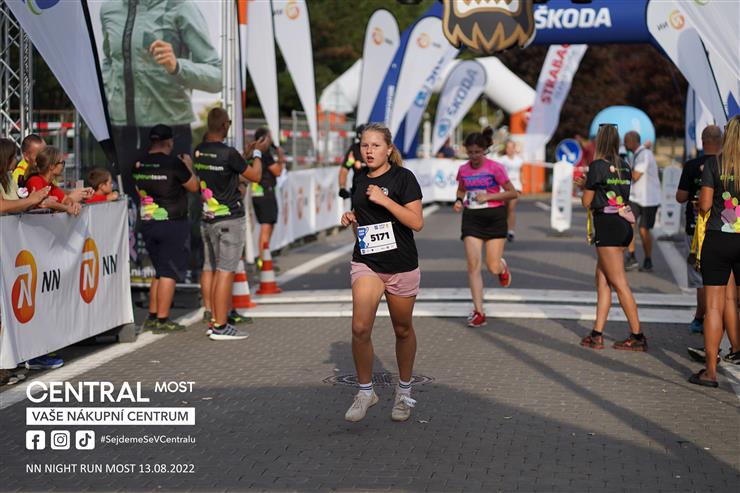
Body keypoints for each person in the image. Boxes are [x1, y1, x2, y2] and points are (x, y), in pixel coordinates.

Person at [340, 123, 423, 423]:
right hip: (368, 263)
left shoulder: (403, 178)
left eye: (375, 145)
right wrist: (353, 220)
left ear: (389, 149)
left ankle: (404, 392)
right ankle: (365, 392)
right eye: (365, 145)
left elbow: (417, 222)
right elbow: (364, 231)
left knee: (402, 329)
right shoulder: (360, 179)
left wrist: (385, 199)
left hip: (401, 265)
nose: (369, 151)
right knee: (360, 328)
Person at [99, 0, 222, 196]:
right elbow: (109, 60)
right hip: (121, 131)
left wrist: (177, 67)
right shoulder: (109, 9)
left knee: (170, 210)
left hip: (170, 131)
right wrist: (108, 93)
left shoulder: (180, 7)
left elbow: (217, 76)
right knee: (125, 207)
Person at [195, 108, 267, 341]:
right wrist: (257, 153)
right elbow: (255, 176)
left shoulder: (199, 150)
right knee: (226, 271)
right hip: (229, 219)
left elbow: (228, 169)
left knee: (213, 269)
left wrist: (244, 155)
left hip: (208, 218)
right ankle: (220, 325)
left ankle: (214, 318)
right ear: (225, 125)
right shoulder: (228, 153)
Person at [575, 124, 646, 351]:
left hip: (607, 226)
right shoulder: (625, 165)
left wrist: (584, 187)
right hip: (624, 223)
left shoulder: (597, 165)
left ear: (600, 142)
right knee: (603, 280)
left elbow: (587, 202)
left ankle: (637, 336)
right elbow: (611, 193)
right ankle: (597, 333)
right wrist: (589, 186)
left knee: (619, 283)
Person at [132, 124, 199, 332]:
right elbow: (194, 186)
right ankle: (162, 320)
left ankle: (153, 316)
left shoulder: (139, 163)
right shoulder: (174, 163)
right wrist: (189, 166)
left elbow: (138, 187)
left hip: (148, 222)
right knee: (169, 271)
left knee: (160, 270)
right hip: (172, 223)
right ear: (168, 142)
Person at [690, 115, 740, 387]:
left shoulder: (713, 164)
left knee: (713, 307)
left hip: (718, 239)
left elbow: (706, 205)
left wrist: (701, 203)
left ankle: (710, 372)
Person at [453, 127, 516, 328]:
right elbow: (461, 189)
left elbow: (512, 193)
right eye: (470, 152)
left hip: (494, 218)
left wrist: (489, 196)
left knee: (492, 266)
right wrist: (458, 201)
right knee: (473, 265)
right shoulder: (463, 169)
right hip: (471, 219)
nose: (474, 156)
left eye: (477, 152)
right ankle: (479, 312)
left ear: (484, 150)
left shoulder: (495, 168)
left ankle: (502, 268)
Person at [676, 125, 722, 333]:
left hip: (695, 228)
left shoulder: (692, 165)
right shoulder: (726, 165)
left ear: (702, 142)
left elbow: (680, 197)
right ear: (720, 141)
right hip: (723, 227)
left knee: (700, 278)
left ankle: (701, 319)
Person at [624, 131, 661, 272]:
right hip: (635, 197)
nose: (625, 144)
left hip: (648, 199)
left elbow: (635, 176)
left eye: (626, 141)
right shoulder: (637, 154)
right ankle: (632, 256)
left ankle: (648, 259)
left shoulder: (645, 154)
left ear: (633, 142)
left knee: (644, 230)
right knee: (629, 225)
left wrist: (622, 171)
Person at [25, 146, 92, 216]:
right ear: (51, 166)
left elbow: (66, 199)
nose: (63, 165)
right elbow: (43, 202)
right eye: (62, 162)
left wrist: (74, 204)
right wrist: (66, 208)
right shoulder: (35, 180)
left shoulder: (50, 185)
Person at [251, 127, 285, 256]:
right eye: (269, 137)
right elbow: (278, 171)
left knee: (268, 225)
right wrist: (280, 156)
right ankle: (263, 259)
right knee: (266, 227)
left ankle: (264, 257)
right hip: (265, 193)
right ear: (263, 139)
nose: (271, 140)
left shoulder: (255, 153)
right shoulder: (264, 154)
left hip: (259, 193)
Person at [0, 138, 52, 214]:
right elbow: (1, 206)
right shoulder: (13, 174)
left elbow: (18, 203)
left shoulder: (8, 175)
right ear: (5, 158)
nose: (16, 160)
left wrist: (35, 201)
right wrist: (30, 200)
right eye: (14, 157)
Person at [497, 139, 523, 242]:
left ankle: (511, 231)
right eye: (508, 147)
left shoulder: (519, 160)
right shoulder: (502, 160)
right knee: (504, 210)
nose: (510, 149)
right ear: (506, 149)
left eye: (512, 147)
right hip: (504, 187)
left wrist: (522, 184)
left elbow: (521, 172)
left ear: (514, 148)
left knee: (511, 208)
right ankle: (503, 229)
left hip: (516, 186)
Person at [338, 124, 365, 202]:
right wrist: (342, 188)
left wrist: (363, 165)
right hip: (358, 189)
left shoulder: (378, 148)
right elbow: (345, 169)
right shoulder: (354, 150)